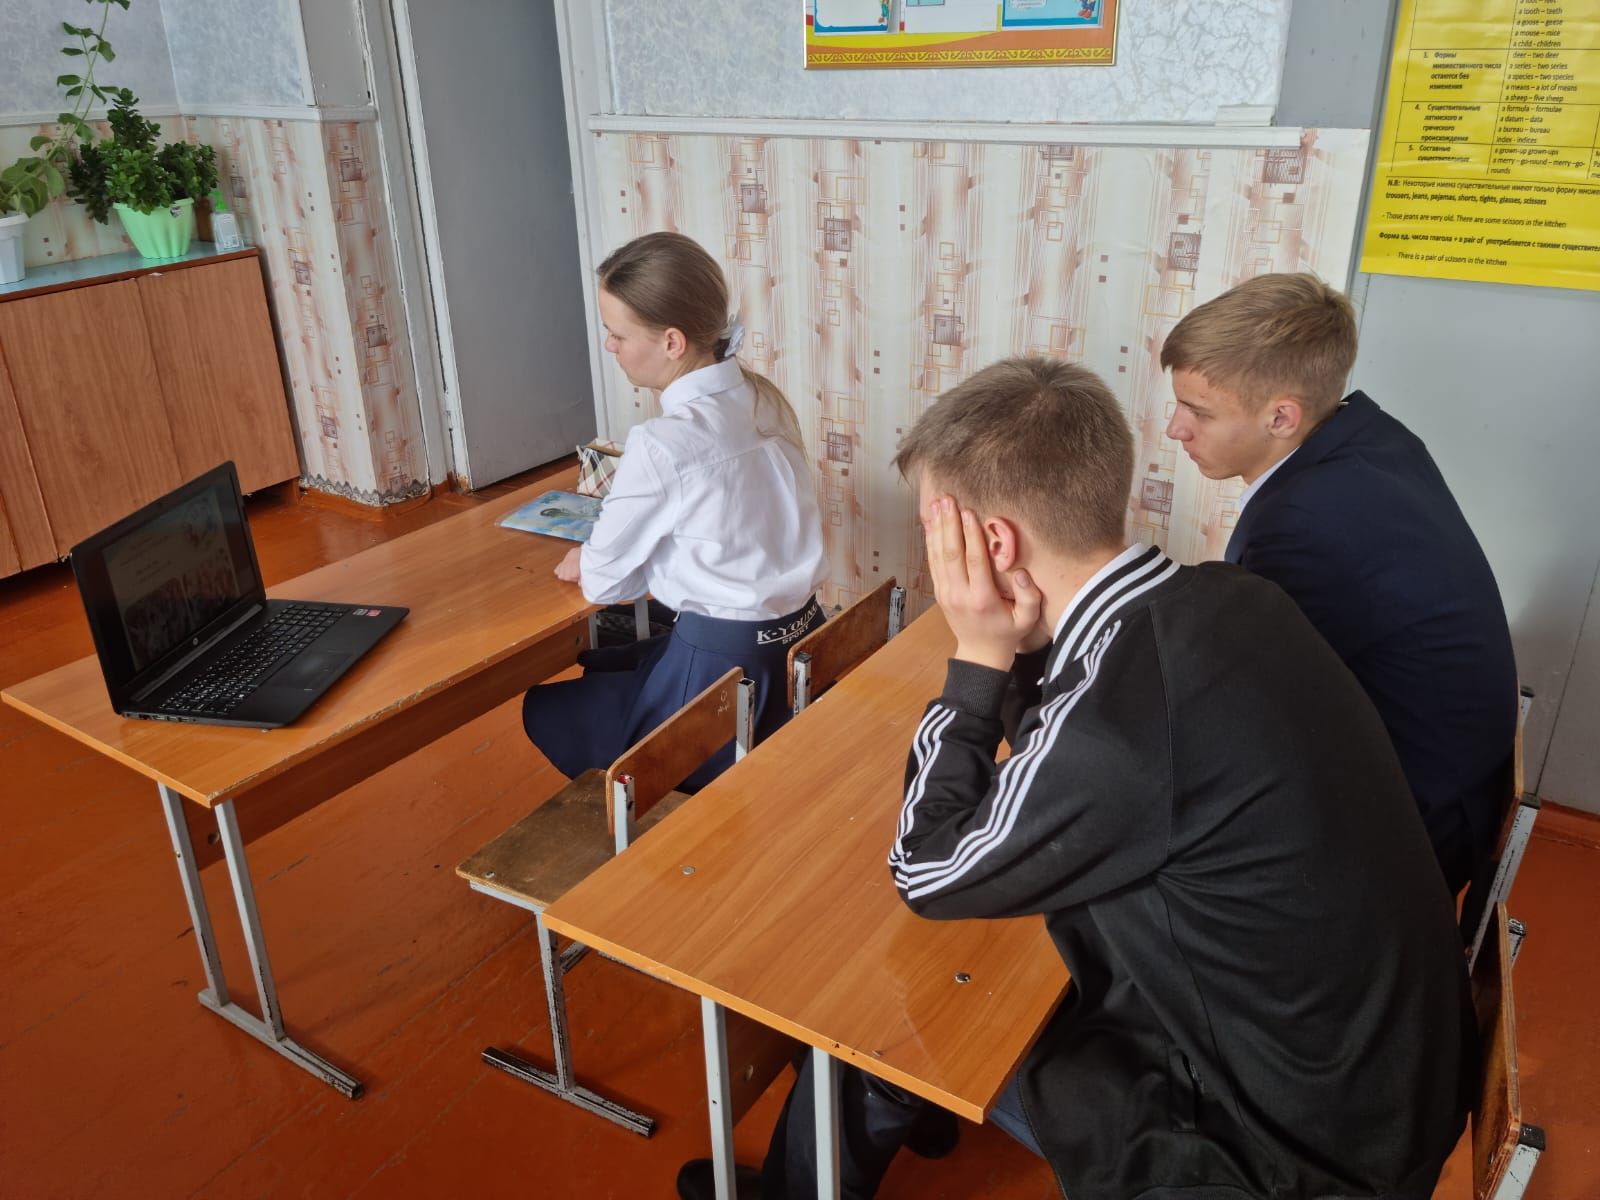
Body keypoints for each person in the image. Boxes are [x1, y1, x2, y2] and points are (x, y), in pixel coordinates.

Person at [678, 357, 1472, 1200]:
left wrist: (977, 656)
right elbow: (1064, 734)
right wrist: (1013, 647)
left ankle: (863, 1124)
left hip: (1282, 1153)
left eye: (937, 536)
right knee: (939, 983)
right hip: (1376, 1079)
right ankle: (905, 1103)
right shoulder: (1229, 598)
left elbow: (927, 869)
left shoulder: (1123, 730)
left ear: (993, 544)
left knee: (871, 1008)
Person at [1161, 272, 1517, 899]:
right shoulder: (1371, 435)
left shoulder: (1299, 524)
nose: (1175, 429)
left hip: (1408, 837)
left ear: (1282, 416)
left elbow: (1249, 718)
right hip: (1458, 784)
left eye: (1199, 411)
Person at [522, 232, 827, 788]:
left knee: (547, 709)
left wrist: (589, 560)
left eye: (618, 334)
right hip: (802, 655)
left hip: (722, 687)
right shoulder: (763, 400)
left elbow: (606, 582)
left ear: (671, 342)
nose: (609, 346)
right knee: (620, 662)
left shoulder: (661, 442)